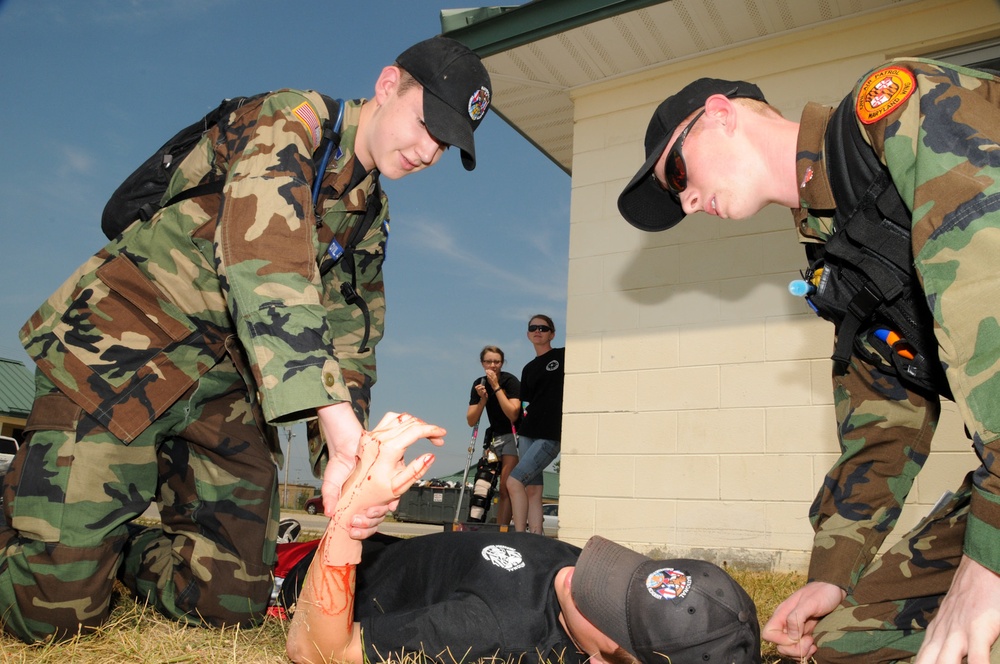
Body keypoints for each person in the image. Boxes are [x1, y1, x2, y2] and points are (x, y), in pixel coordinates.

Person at [0, 36, 491, 643]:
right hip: (124, 351)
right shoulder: (290, 120)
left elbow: (352, 339)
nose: (428, 151)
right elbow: (268, 264)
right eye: (425, 125)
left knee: (230, 599)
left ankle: (106, 540)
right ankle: (37, 513)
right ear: (389, 85)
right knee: (51, 619)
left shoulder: (368, 212)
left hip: (222, 383)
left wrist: (351, 460)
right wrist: (335, 423)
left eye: (445, 144)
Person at [616, 59, 1000, 663]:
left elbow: (990, 299)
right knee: (846, 645)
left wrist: (988, 566)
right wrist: (833, 574)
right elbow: (883, 424)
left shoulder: (894, 111)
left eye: (680, 172)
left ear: (720, 115)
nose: (687, 201)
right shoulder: (839, 252)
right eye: (675, 195)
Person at [284, 411, 761, 664]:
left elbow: (317, 650)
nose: (584, 578)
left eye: (609, 604)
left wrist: (348, 519)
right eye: (628, 577)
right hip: (386, 549)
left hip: (314, 573)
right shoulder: (584, 580)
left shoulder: (496, 631)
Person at [508, 314, 565, 533]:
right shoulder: (528, 368)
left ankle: (520, 537)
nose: (538, 331)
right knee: (533, 491)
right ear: (528, 334)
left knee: (514, 482)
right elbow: (525, 402)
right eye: (533, 328)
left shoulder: (562, 355)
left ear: (552, 333)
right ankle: (536, 537)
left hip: (549, 434)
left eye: (543, 328)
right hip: (527, 432)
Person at [466, 345, 521, 525]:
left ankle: (502, 528)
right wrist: (482, 399)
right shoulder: (479, 383)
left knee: (506, 486)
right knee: (483, 483)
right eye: (488, 361)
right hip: (494, 437)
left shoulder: (510, 381)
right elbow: (471, 420)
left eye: (496, 362)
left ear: (502, 363)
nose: (493, 365)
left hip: (513, 435)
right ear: (482, 363)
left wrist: (496, 388)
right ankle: (475, 523)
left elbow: (513, 413)